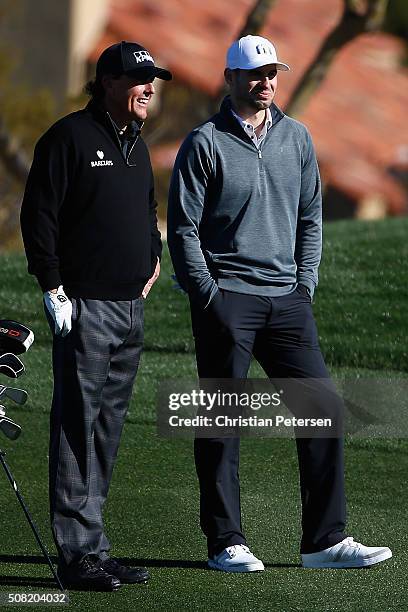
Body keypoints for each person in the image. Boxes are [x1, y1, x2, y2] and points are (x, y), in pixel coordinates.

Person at [167, 35, 392, 572]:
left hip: (287, 300)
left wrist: (305, 284)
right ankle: (225, 541)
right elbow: (183, 229)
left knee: (325, 410)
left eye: (272, 73)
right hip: (228, 299)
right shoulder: (204, 143)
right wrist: (209, 296)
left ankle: (324, 541)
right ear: (230, 79)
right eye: (254, 74)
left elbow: (311, 216)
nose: (265, 83)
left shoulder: (297, 138)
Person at [20, 41, 171, 590]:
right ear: (107, 81)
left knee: (105, 430)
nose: (149, 88)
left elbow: (147, 208)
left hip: (131, 308)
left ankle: (95, 544)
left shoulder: (136, 143)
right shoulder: (68, 138)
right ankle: (75, 554)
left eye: (152, 79)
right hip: (84, 306)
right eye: (139, 79)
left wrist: (152, 256)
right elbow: (39, 217)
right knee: (76, 428)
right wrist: (53, 288)